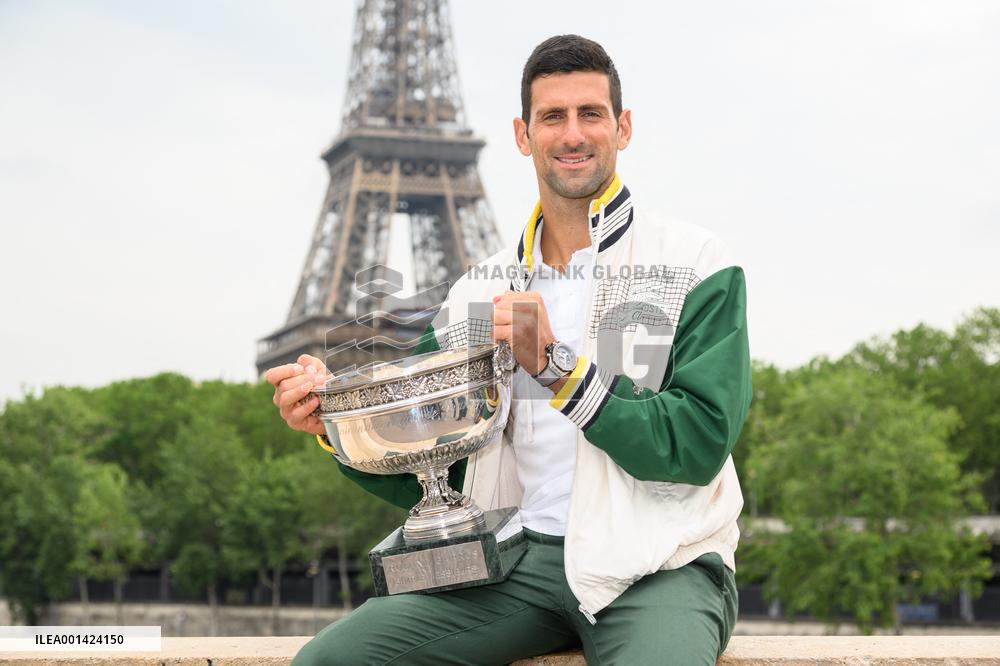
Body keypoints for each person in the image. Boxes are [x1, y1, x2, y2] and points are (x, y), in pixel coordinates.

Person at [267, 34, 751, 666]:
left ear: (623, 127)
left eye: (591, 114)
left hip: (659, 565)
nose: (573, 134)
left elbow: (698, 443)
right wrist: (334, 423)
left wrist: (555, 367)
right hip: (515, 563)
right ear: (524, 136)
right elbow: (441, 467)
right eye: (553, 117)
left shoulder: (696, 264)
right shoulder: (476, 292)